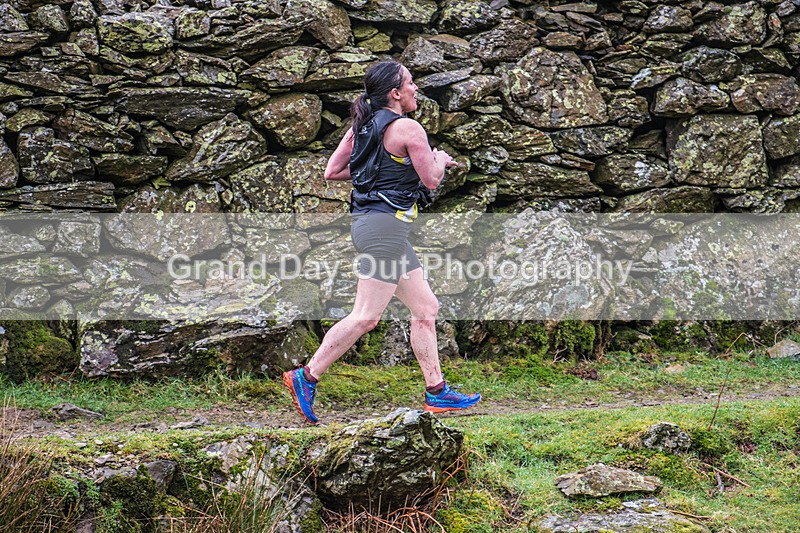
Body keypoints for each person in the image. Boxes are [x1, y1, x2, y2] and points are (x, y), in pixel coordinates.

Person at [282, 60, 481, 424]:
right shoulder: (409, 128)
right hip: (385, 230)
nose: (415, 88)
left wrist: (376, 176)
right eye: (410, 83)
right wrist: (439, 158)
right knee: (366, 317)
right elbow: (432, 180)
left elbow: (334, 171)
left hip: (376, 227)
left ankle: (437, 393)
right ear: (395, 92)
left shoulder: (361, 127)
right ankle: (306, 376)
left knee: (426, 308)